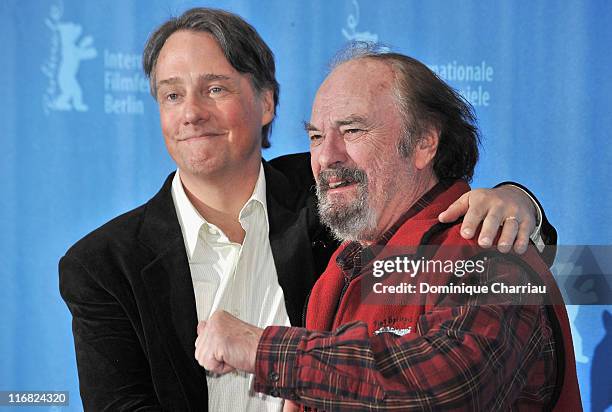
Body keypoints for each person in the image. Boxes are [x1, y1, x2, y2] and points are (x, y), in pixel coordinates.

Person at [60, 8, 556, 411]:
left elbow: (448, 380)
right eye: (171, 94)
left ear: (266, 102)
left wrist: (519, 204)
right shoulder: (348, 241)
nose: (191, 112)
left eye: (215, 88)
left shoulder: (343, 203)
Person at [194, 44, 581, 411]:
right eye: (315, 137)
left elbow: (441, 391)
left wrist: (261, 349)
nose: (326, 156)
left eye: (352, 131)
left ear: (424, 143)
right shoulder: (342, 266)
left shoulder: (490, 252)